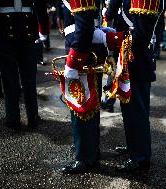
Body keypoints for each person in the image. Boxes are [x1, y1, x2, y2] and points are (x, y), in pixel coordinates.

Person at [106, 0, 161, 172]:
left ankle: (140, 157)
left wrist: (111, 37)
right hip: (130, 58)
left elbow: (141, 35)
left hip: (137, 61)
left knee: (136, 111)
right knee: (129, 111)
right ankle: (134, 147)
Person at [0, 0, 49, 130]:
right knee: (28, 78)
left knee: (9, 78)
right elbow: (40, 5)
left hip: (3, 28)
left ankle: (12, 118)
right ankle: (32, 116)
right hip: (27, 26)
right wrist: (43, 26)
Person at [60, 0, 108, 174]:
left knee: (82, 107)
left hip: (82, 51)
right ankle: (90, 154)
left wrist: (73, 61)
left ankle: (85, 158)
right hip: (86, 48)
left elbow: (85, 25)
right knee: (89, 107)